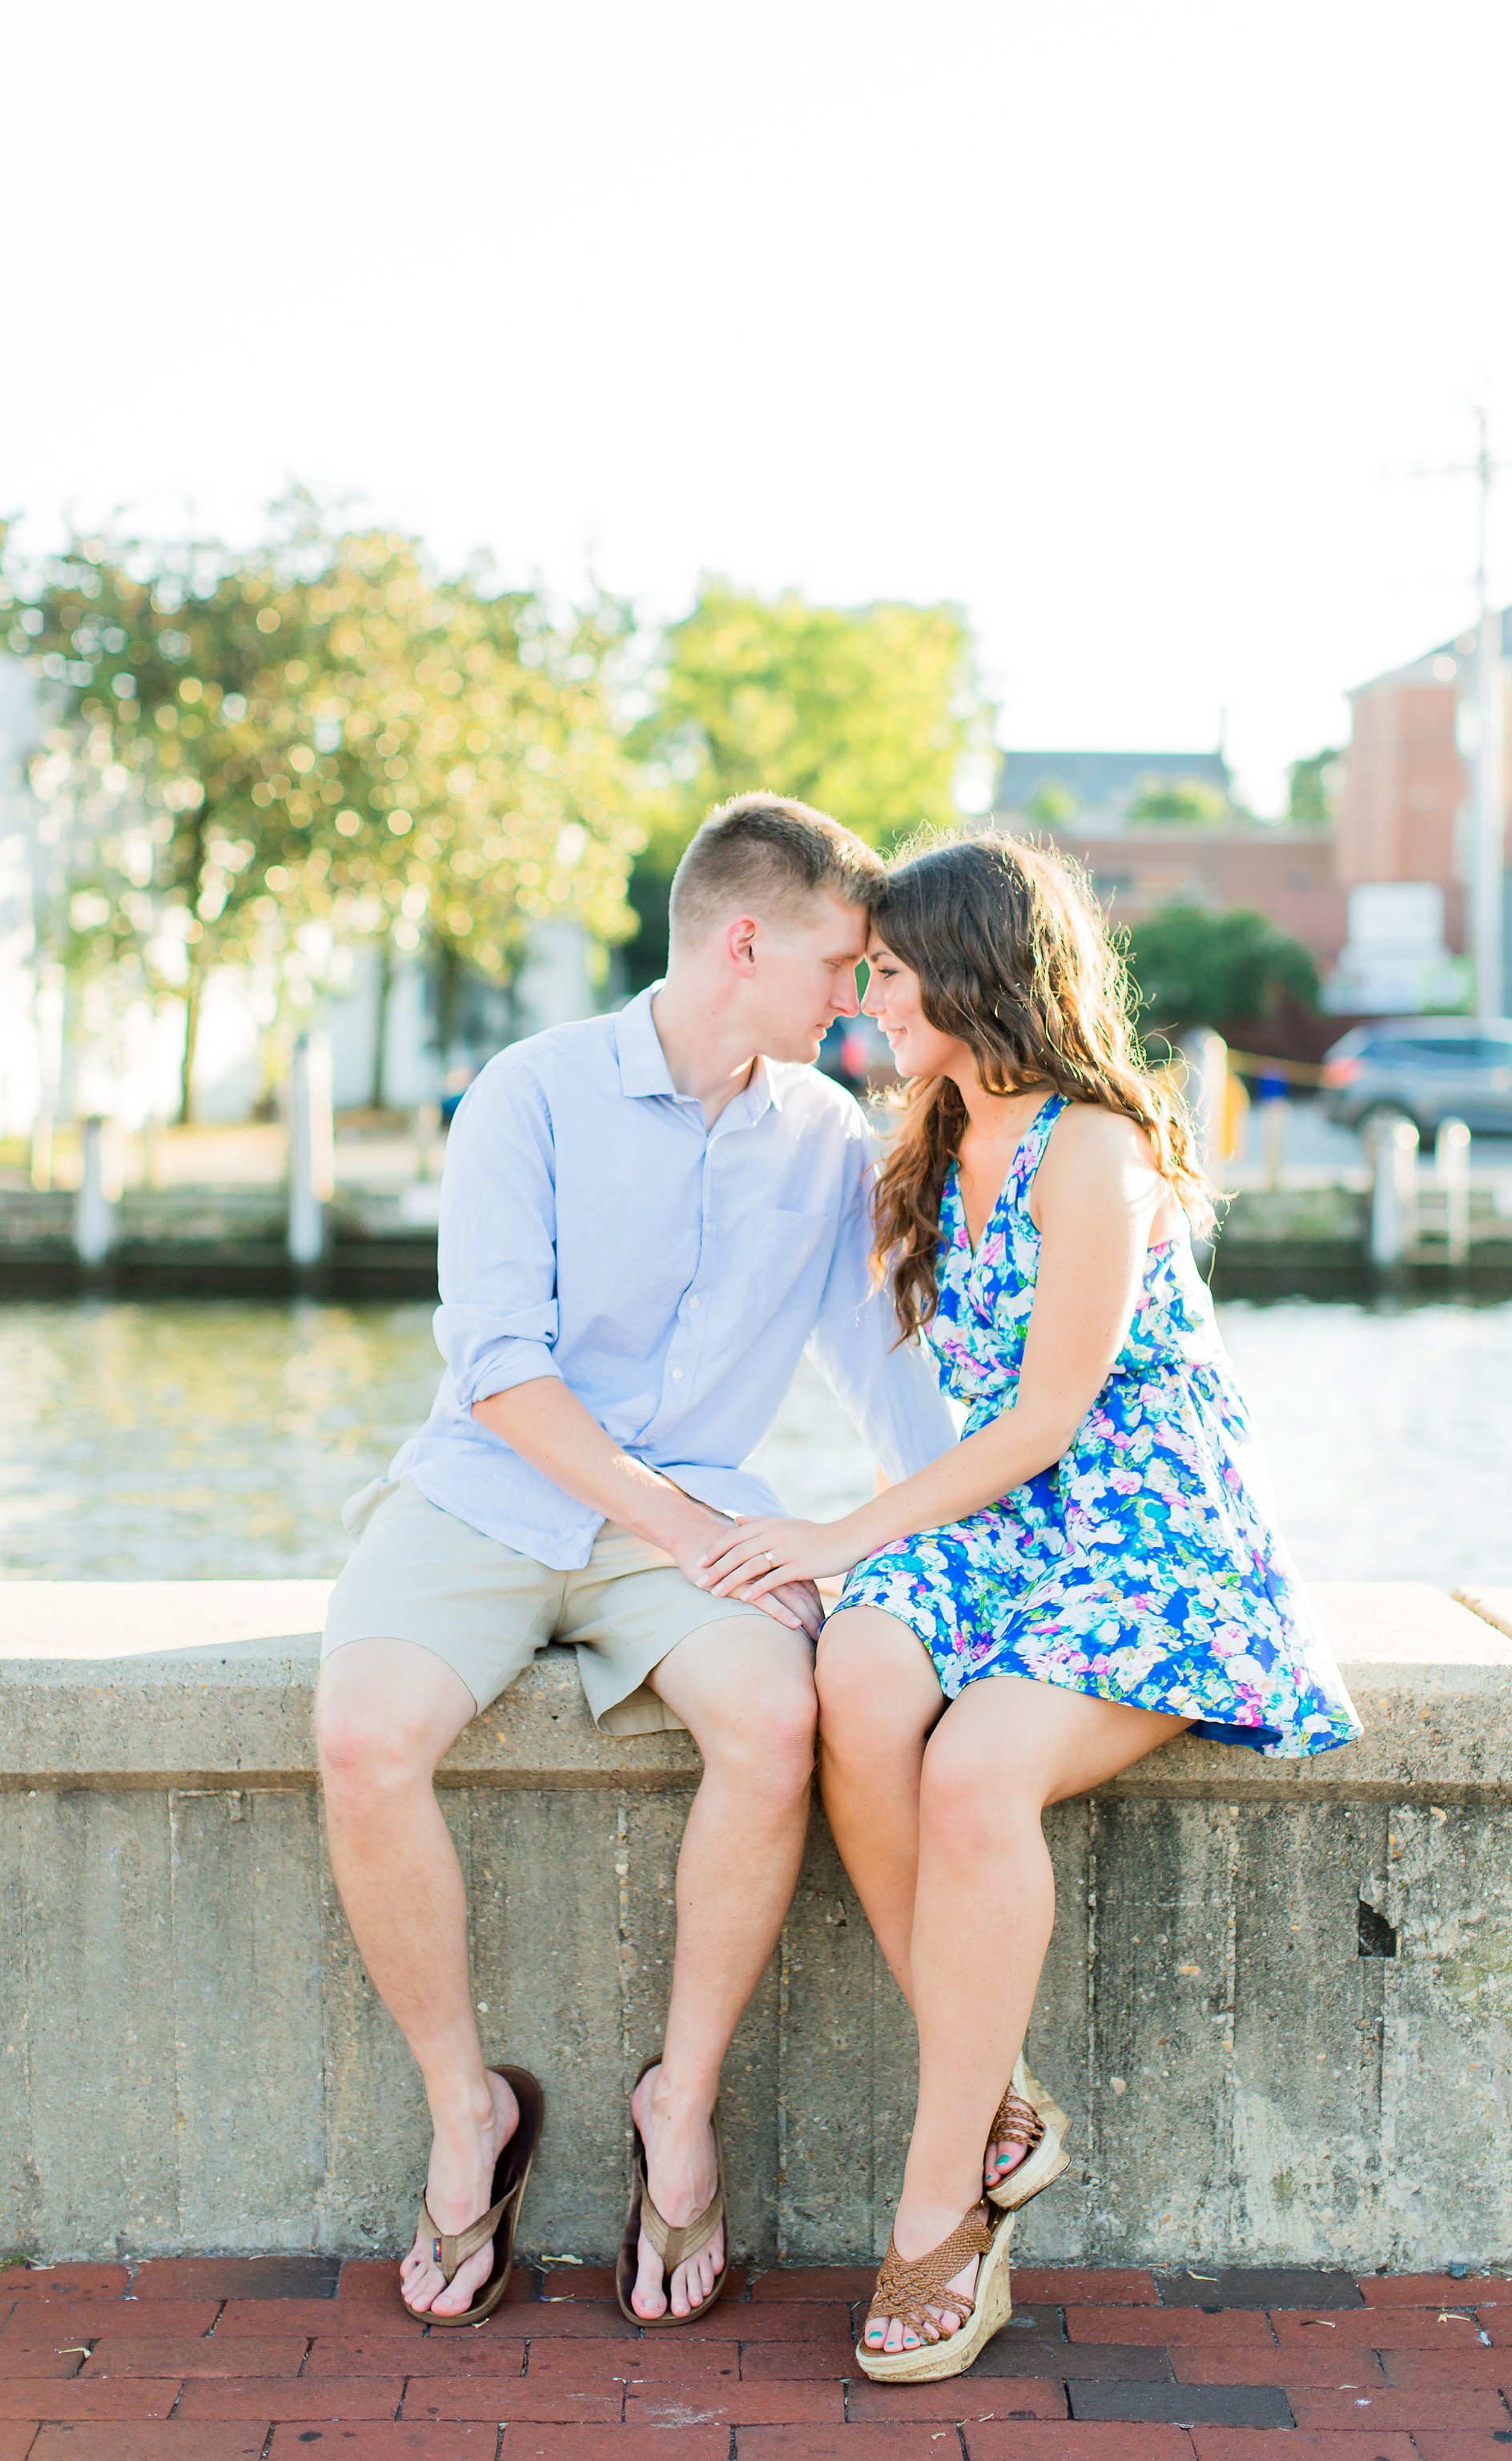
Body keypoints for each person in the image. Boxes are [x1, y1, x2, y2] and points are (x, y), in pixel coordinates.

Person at [702, 835, 1361, 2381]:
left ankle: (943, 2210)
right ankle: (993, 2090)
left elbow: (1051, 1417)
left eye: (893, 964)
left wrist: (838, 1532)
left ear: (977, 972)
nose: (871, 987)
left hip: (1146, 1519)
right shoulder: (928, 1128)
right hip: (1012, 1521)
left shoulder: (1097, 1150)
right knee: (855, 1680)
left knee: (977, 1770)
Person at [315, 794, 955, 2330]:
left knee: (775, 1718)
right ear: (746, 940)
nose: (859, 1005)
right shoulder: (525, 1097)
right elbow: (500, 1371)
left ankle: (683, 2104)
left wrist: (953, 1536)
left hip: (692, 1518)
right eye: (840, 968)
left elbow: (884, 1379)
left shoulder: (824, 1137)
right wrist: (687, 1529)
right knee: (361, 1733)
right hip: (494, 1489)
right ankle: (468, 2113)